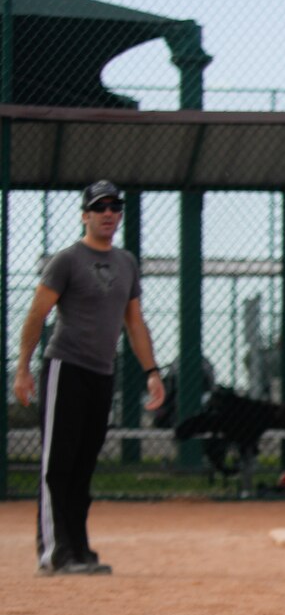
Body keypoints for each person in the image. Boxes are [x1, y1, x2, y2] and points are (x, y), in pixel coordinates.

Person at [12, 181, 167, 575]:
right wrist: (23, 368)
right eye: (100, 207)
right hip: (65, 367)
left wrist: (152, 371)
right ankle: (54, 553)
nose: (109, 213)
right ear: (85, 214)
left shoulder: (127, 263)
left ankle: (78, 549)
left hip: (102, 373)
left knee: (83, 465)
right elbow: (36, 314)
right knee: (58, 463)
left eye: (115, 207)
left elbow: (134, 322)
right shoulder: (67, 260)